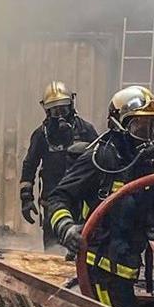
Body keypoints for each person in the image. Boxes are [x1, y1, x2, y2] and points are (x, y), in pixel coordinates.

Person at [43, 85, 154, 307]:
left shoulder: (142, 165)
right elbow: (58, 197)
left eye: (151, 128)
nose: (149, 137)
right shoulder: (99, 159)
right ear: (119, 126)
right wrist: (67, 228)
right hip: (100, 271)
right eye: (141, 128)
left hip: (125, 272)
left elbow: (151, 214)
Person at [18, 81, 99, 254]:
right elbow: (29, 165)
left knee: (82, 249)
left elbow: (102, 164)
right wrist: (26, 198)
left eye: (63, 109)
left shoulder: (86, 131)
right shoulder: (42, 135)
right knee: (53, 253)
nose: (60, 116)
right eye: (55, 111)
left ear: (72, 106)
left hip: (81, 205)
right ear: (47, 112)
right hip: (53, 205)